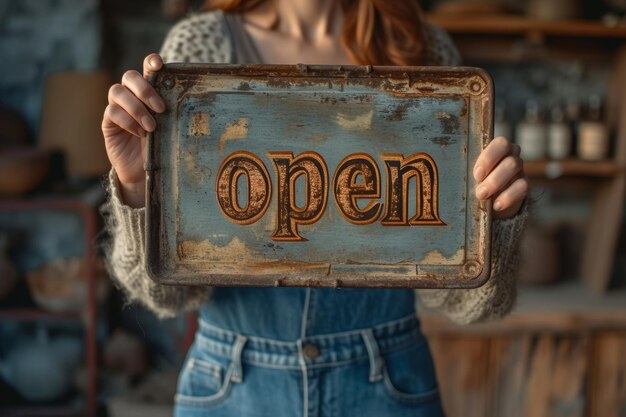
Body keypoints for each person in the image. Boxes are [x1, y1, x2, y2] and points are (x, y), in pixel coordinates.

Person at [101, 1, 529, 416]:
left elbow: (474, 306)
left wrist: (494, 222)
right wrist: (139, 189)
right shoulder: (199, 45)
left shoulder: (420, 46)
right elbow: (161, 294)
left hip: (385, 383)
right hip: (235, 385)